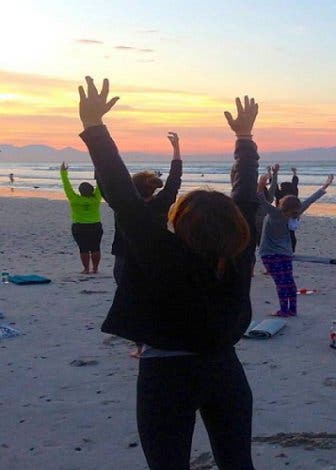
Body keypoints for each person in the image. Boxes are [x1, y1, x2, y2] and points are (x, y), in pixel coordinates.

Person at [77, 76, 257, 469]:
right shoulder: (239, 252)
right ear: (236, 225)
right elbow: (245, 196)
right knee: (238, 463)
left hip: (165, 374)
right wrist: (244, 139)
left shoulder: (159, 250)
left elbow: (123, 196)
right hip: (224, 369)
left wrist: (95, 128)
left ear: (179, 220)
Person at [109, 132, 183, 287]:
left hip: (125, 257)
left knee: (126, 293)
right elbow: (175, 178)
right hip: (155, 256)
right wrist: (176, 148)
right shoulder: (162, 202)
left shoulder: (125, 206)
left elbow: (108, 178)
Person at [258, 172, 334, 316]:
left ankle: (283, 310)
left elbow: (260, 198)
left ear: (281, 204)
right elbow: (311, 200)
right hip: (286, 253)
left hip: (269, 253)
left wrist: (261, 184)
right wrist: (326, 185)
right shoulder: (296, 213)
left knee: (280, 283)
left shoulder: (275, 213)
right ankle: (292, 310)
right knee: (289, 281)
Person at [60, 161, 103, 274]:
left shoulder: (74, 199)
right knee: (96, 247)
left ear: (79, 191)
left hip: (79, 227)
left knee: (83, 248)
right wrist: (99, 170)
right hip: (95, 226)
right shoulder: (96, 199)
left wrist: (63, 172)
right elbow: (100, 185)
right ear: (92, 190)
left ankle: (86, 269)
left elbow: (67, 186)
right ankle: (95, 269)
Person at [272, 165, 300, 252]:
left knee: (279, 233)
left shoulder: (279, 194)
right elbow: (295, 183)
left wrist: (274, 173)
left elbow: (274, 185)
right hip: (291, 216)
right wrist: (294, 173)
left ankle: (280, 249)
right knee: (291, 233)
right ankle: (292, 250)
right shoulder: (294, 193)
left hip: (280, 215)